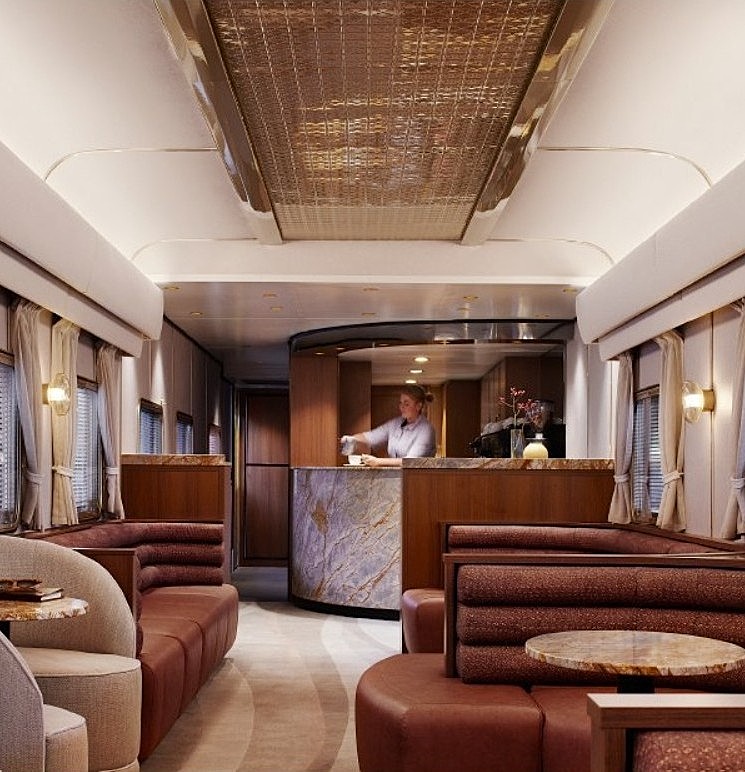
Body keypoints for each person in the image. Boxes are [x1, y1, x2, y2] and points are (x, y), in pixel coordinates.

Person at [340, 384, 436, 467]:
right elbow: (373, 436)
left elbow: (411, 461)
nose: (401, 407)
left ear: (418, 406)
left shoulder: (426, 430)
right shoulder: (396, 423)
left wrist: (378, 461)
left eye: (406, 404)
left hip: (418, 479)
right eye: (400, 403)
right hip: (396, 477)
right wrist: (352, 438)